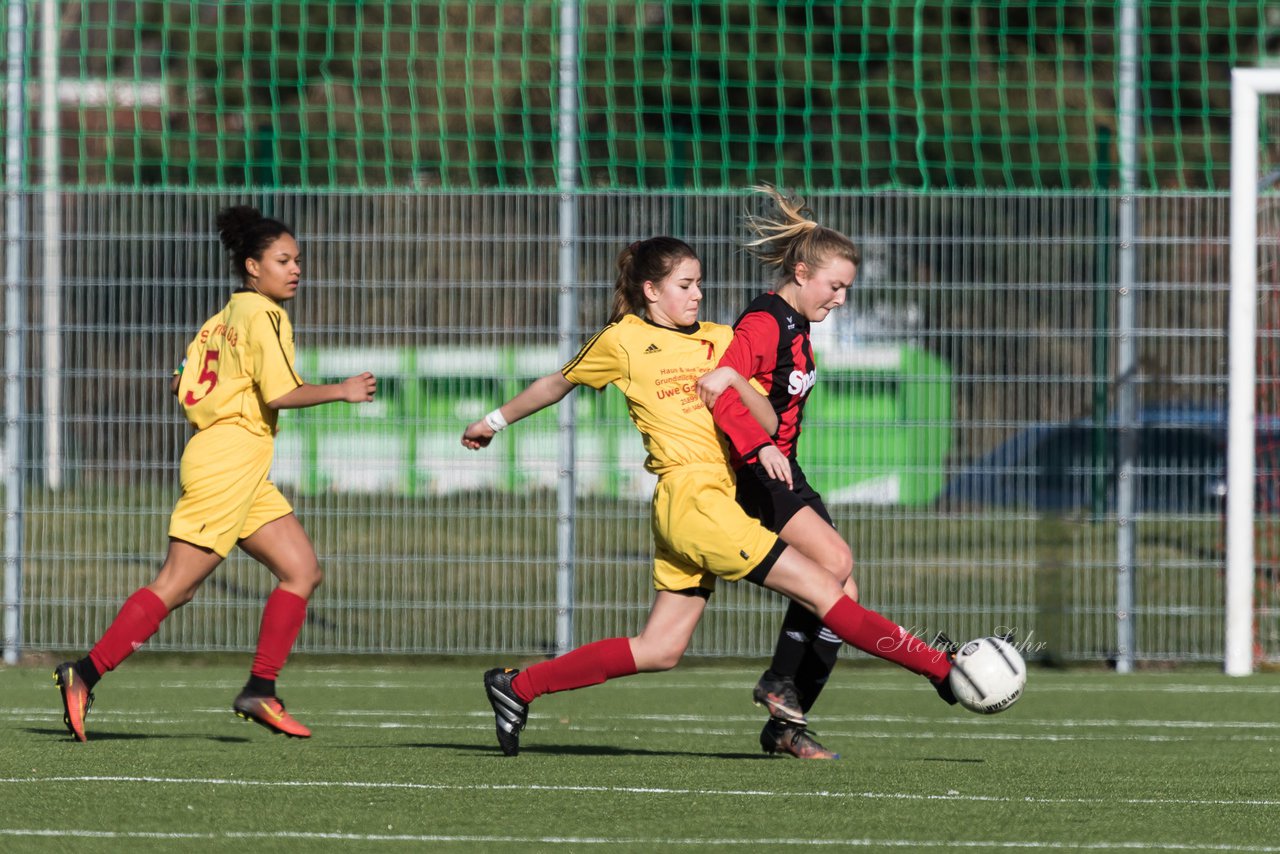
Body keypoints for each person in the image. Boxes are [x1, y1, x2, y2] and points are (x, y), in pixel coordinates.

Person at [461, 236, 957, 758]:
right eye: (684, 285)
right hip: (692, 501)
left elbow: (764, 416)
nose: (698, 294)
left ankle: (518, 687)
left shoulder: (722, 339)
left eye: (699, 283)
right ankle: (940, 668)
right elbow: (554, 385)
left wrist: (747, 407)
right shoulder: (622, 340)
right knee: (828, 589)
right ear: (651, 290)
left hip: (715, 500)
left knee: (659, 650)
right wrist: (492, 422)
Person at [53, 205, 377, 742]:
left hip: (238, 462)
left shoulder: (219, 320)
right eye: (283, 260)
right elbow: (280, 393)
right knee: (176, 587)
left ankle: (260, 690)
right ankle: (83, 674)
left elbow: (180, 383)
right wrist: (341, 390)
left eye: (298, 260)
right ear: (253, 266)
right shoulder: (264, 315)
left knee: (301, 569)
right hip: (228, 462)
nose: (295, 269)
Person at [696, 185, 864, 760]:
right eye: (834, 285)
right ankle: (775, 682)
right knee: (835, 566)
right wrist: (759, 445)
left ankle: (786, 726)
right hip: (758, 472)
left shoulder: (799, 325)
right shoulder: (766, 321)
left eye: (846, 288)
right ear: (801, 271)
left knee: (844, 594)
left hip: (785, 468)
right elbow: (719, 387)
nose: (840, 298)